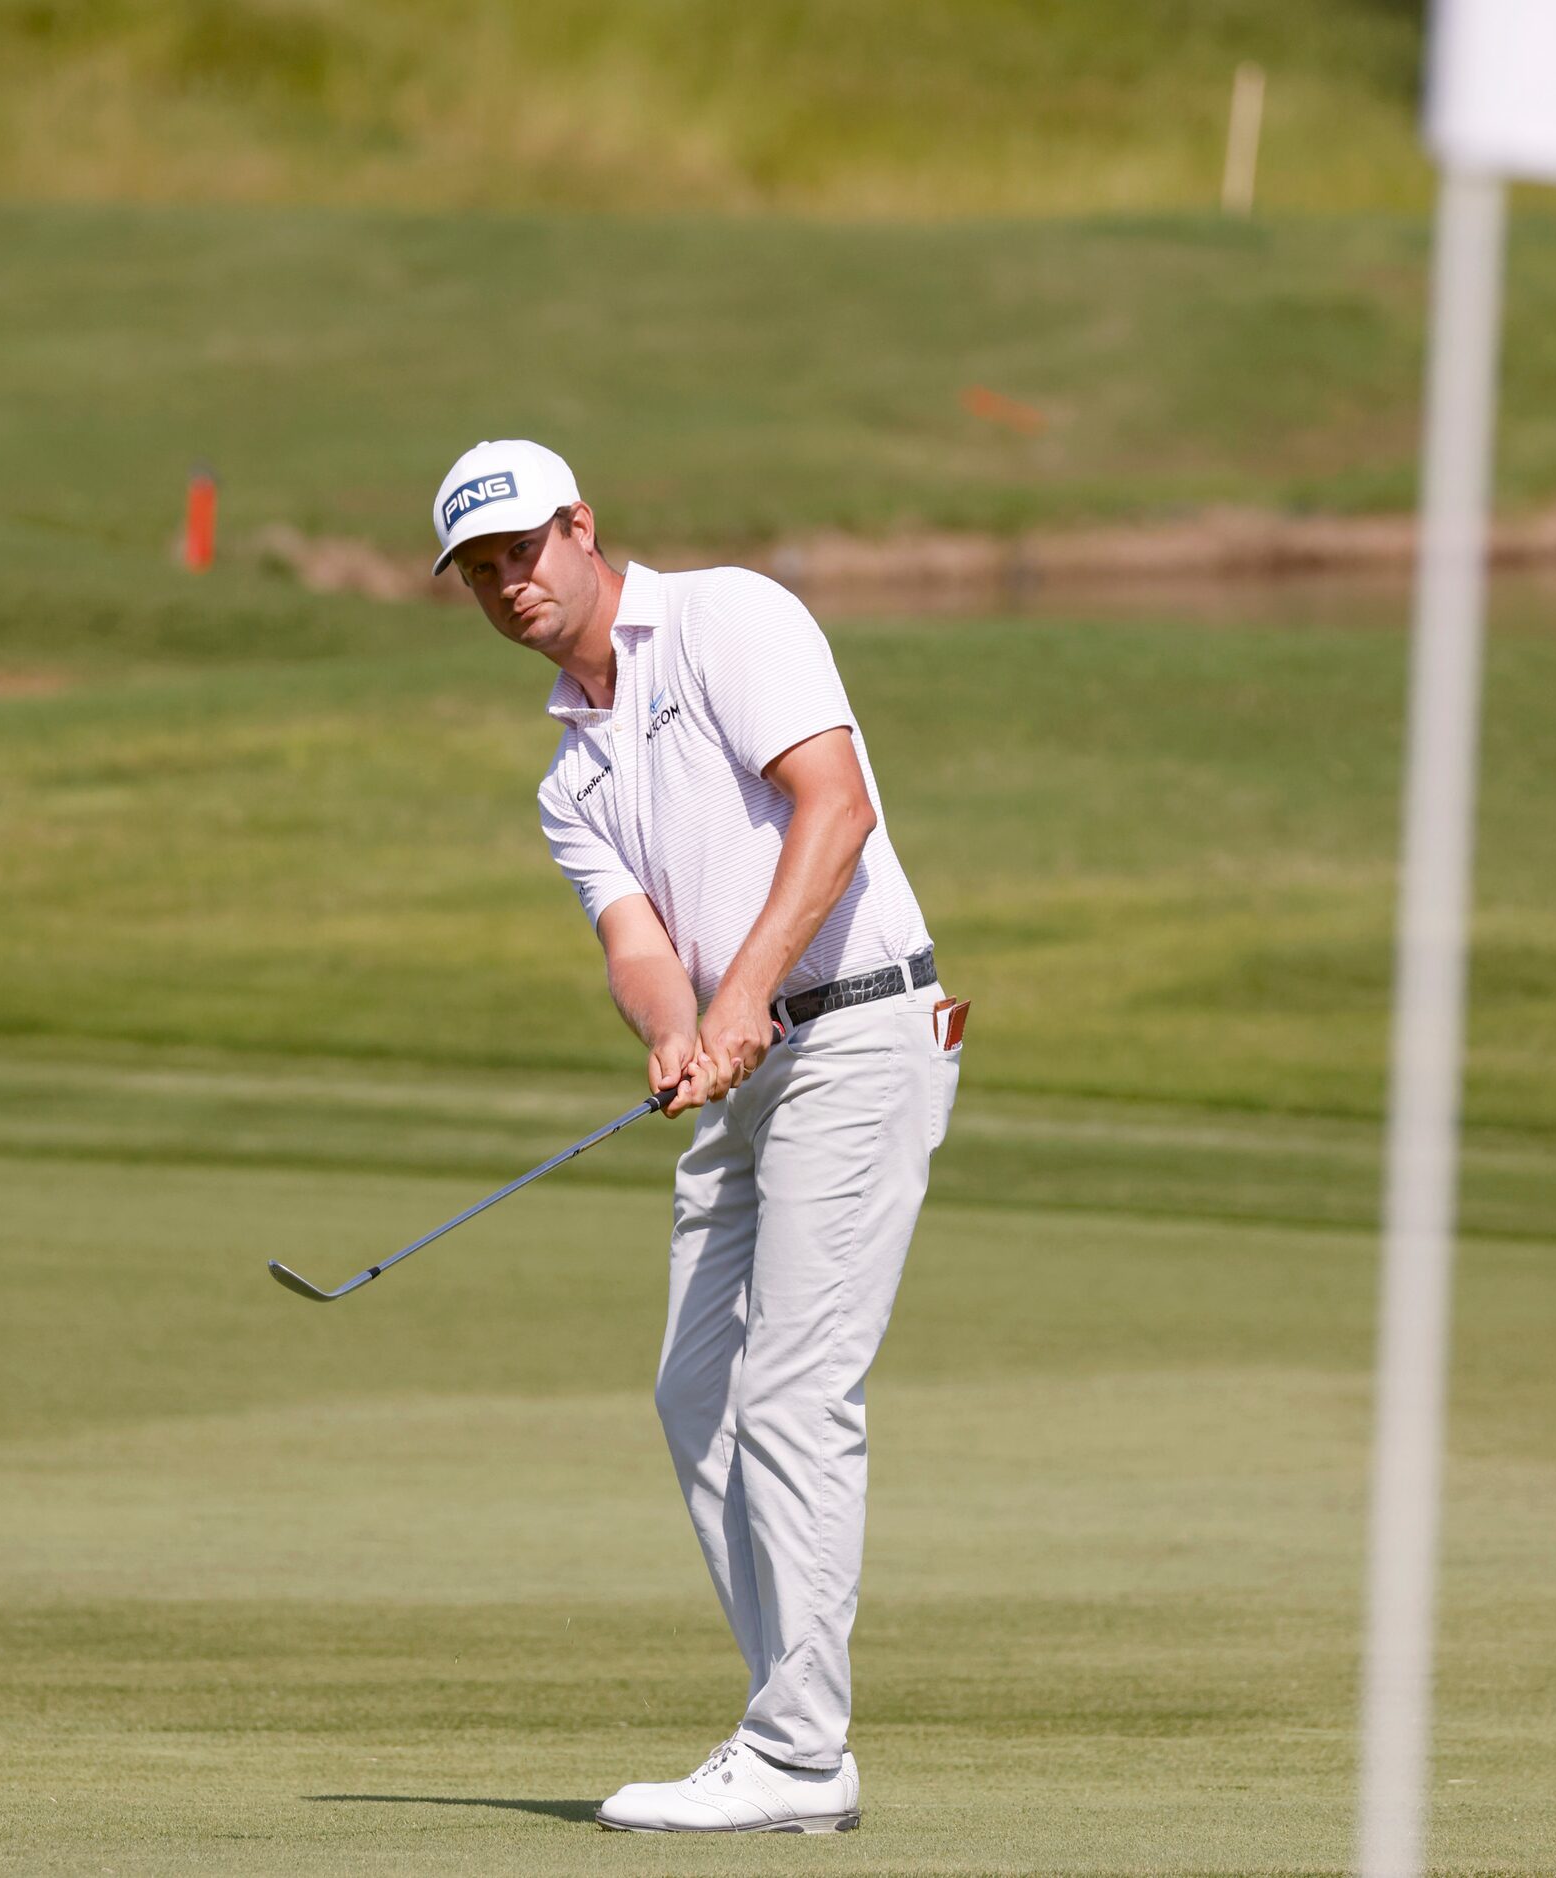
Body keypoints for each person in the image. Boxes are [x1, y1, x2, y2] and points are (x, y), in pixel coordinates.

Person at [429, 439, 967, 1834]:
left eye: (523, 551)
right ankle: (794, 1722)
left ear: (581, 529)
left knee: (791, 1390)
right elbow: (634, 943)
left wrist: (740, 1000)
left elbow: (834, 809)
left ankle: (795, 1752)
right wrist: (674, 1030)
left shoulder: (729, 615)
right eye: (480, 569)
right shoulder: (568, 775)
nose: (508, 584)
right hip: (746, 1067)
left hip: (855, 1029)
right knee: (693, 1392)